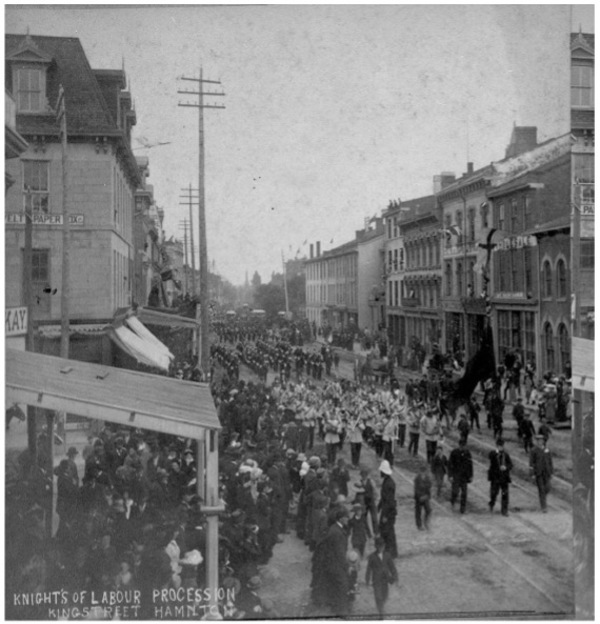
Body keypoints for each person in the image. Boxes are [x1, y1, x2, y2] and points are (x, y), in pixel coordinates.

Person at [319, 506, 351, 614]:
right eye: (347, 517)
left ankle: (335, 608)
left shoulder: (335, 528)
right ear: (341, 518)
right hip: (335, 564)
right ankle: (341, 611)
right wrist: (347, 566)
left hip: (331, 562)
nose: (348, 519)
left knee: (336, 586)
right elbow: (340, 553)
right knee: (343, 585)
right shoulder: (337, 533)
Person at [365, 536, 398, 616]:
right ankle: (381, 612)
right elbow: (368, 570)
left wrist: (395, 577)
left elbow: (392, 567)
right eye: (379, 546)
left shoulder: (387, 555)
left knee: (385, 595)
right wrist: (367, 580)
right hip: (376, 581)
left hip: (385, 580)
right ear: (376, 546)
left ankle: (381, 607)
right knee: (378, 596)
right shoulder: (372, 557)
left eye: (382, 546)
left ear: (384, 546)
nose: (381, 548)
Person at [488, 438, 513, 516]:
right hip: (495, 477)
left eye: (502, 446)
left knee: (505, 494)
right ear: (497, 446)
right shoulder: (493, 453)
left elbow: (511, 464)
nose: (501, 447)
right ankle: (492, 503)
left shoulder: (505, 455)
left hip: (504, 477)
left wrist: (506, 467)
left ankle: (504, 510)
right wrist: (497, 452)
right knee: (494, 493)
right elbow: (490, 457)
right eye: (499, 446)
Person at [377, 460, 397, 558]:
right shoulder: (387, 481)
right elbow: (384, 498)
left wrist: (385, 515)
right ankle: (390, 552)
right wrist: (379, 506)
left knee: (387, 532)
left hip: (388, 512)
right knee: (388, 532)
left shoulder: (389, 484)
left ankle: (389, 552)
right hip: (387, 510)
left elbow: (389, 501)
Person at [448, 438, 473, 514]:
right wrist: (450, 475)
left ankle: (462, 508)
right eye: (461, 446)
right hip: (456, 475)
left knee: (464, 493)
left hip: (464, 476)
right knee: (455, 491)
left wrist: (471, 475)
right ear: (459, 445)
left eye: (464, 446)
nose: (463, 448)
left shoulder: (467, 453)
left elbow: (470, 465)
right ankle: (452, 500)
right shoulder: (454, 453)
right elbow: (450, 465)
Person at [529, 435, 553, 512]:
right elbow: (531, 463)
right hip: (538, 473)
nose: (540, 442)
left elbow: (550, 461)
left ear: (543, 441)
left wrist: (551, 471)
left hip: (546, 472)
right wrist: (532, 474)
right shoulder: (534, 450)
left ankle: (543, 497)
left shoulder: (547, 450)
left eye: (541, 440)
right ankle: (544, 506)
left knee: (548, 487)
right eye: (538, 440)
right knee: (541, 489)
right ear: (537, 441)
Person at [413, 463, 432, 530]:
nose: (424, 473)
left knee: (428, 510)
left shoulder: (427, 478)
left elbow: (429, 486)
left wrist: (427, 495)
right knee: (418, 512)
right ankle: (419, 525)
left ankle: (426, 521)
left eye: (425, 472)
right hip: (419, 497)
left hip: (425, 496)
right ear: (420, 472)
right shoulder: (417, 479)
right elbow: (416, 488)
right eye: (422, 472)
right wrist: (419, 496)